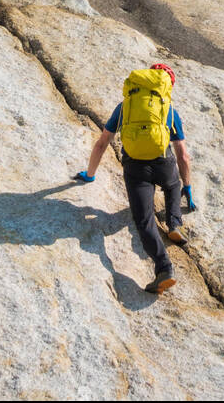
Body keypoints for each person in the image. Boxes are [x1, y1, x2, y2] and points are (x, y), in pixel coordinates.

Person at [73, 63, 197, 294]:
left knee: (144, 220)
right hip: (163, 162)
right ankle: (174, 222)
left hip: (135, 168)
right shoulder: (168, 109)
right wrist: (187, 187)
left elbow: (102, 143)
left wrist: (90, 175)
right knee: (172, 184)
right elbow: (183, 155)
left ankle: (164, 268)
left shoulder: (125, 107)